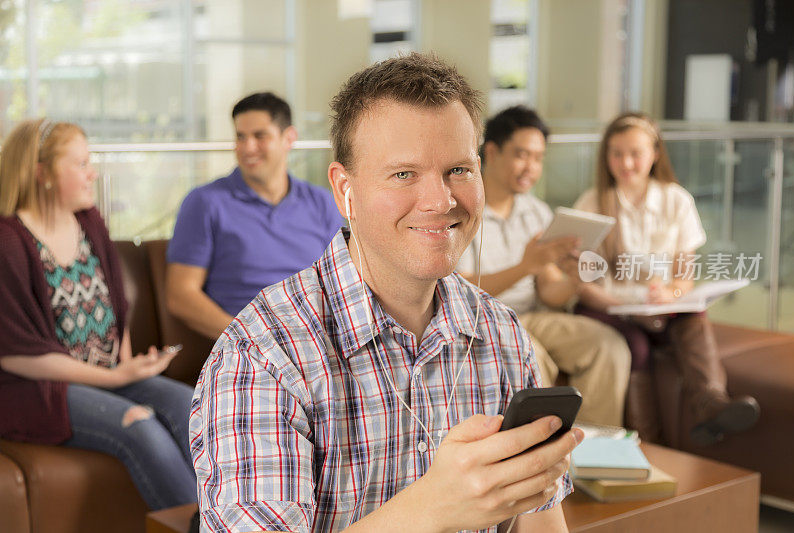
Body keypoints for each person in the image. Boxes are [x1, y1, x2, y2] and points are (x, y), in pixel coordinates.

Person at [190, 54, 583, 532]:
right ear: (344, 190)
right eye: (404, 174)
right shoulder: (261, 354)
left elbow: (541, 524)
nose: (441, 201)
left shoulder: (502, 335)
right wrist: (434, 507)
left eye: (459, 169)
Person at [0, 119, 196, 510]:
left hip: (106, 376)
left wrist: (128, 365)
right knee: (140, 426)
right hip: (39, 391)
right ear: (43, 174)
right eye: (80, 164)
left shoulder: (89, 220)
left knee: (193, 407)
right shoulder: (8, 240)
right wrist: (113, 377)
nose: (93, 173)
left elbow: (115, 305)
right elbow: (15, 353)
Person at [573, 112, 760, 445]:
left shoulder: (676, 200)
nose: (625, 163)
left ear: (655, 154)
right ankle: (648, 442)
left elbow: (683, 279)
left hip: (659, 307)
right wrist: (622, 305)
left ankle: (712, 407)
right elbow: (582, 285)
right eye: (616, 153)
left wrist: (671, 294)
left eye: (636, 153)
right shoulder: (591, 203)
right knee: (637, 345)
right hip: (610, 309)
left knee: (694, 318)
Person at [457, 106, 631, 427]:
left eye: (538, 158)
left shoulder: (536, 212)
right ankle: (545, 458)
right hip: (484, 320)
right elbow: (462, 291)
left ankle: (596, 455)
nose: (531, 168)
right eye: (522, 155)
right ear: (492, 152)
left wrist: (575, 280)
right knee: (531, 357)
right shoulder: (462, 211)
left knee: (609, 347)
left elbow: (550, 291)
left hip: (534, 317)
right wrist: (526, 266)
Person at [166, 92, 342, 339]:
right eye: (241, 137)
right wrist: (252, 339)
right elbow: (181, 296)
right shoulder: (204, 203)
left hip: (317, 341)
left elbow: (343, 283)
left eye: (260, 136)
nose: (248, 147)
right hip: (247, 348)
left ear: (289, 138)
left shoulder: (324, 203)